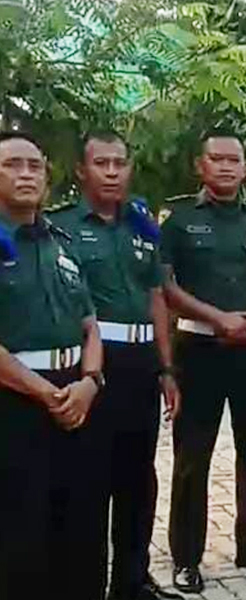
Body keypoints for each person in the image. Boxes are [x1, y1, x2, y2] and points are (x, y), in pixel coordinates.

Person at [160, 131, 246, 594]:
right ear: (200, 166)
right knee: (192, 457)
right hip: (198, 349)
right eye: (216, 159)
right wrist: (218, 319)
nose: (225, 166)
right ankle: (186, 557)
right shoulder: (178, 221)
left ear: (245, 168)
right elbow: (166, 287)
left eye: (233, 159)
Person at [49, 131, 183, 600]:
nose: (111, 172)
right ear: (81, 171)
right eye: (101, 163)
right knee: (88, 481)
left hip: (140, 365)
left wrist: (166, 368)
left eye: (119, 163)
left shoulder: (143, 224)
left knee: (138, 477)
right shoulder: (61, 227)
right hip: (93, 365)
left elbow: (156, 297)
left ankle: (132, 582)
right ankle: (85, 584)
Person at [0, 131, 105, 599]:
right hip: (15, 403)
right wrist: (43, 392)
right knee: (21, 534)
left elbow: (90, 326)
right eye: (12, 165)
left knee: (80, 528)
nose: (26, 175)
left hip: (74, 398)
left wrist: (90, 382)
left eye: (35, 166)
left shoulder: (61, 243)